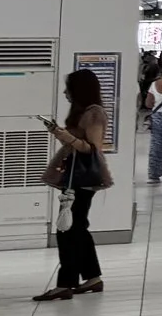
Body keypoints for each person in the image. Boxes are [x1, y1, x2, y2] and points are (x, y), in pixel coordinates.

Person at [35, 67, 112, 301]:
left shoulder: (94, 113)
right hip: (75, 176)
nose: (65, 93)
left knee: (67, 229)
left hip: (82, 178)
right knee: (77, 227)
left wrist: (64, 135)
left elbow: (92, 148)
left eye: (68, 89)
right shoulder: (84, 112)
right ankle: (92, 277)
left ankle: (66, 283)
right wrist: (60, 133)